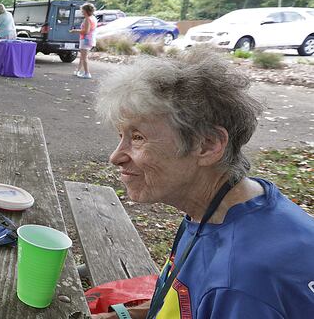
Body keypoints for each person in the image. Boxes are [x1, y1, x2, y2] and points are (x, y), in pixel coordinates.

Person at [92, 48, 314, 319]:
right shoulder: (235, 205)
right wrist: (122, 316)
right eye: (121, 135)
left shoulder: (238, 283)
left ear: (207, 145)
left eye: (137, 137)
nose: (115, 157)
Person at [75, 2, 96, 79]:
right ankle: (78, 71)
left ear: (86, 11)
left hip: (85, 39)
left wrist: (75, 31)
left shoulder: (88, 19)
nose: (82, 12)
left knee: (84, 57)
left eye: (83, 10)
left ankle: (87, 73)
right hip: (89, 39)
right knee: (82, 56)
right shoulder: (93, 18)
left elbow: (86, 31)